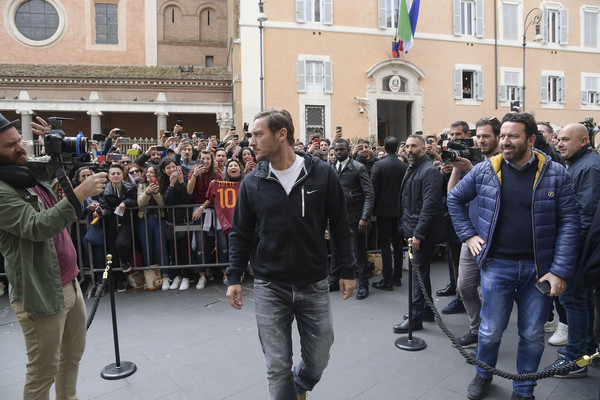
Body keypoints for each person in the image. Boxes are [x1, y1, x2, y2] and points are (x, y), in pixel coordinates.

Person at [447, 112, 580, 400]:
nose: (505, 141)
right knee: (491, 330)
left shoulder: (555, 173)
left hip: (539, 269)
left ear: (531, 139)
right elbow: (455, 198)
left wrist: (559, 270)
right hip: (496, 265)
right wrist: (468, 235)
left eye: (513, 136)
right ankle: (483, 374)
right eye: (503, 135)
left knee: (532, 335)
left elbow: (570, 221)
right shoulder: (486, 170)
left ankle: (523, 390)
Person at [226, 109, 356, 400]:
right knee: (277, 365)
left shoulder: (321, 173)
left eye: (258, 134)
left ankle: (300, 385)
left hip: (314, 283)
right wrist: (233, 276)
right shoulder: (252, 182)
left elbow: (340, 225)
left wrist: (347, 269)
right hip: (270, 286)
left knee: (319, 357)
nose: (252, 141)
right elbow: (240, 233)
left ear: (281, 134)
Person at [0, 113, 107, 399]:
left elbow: (63, 165)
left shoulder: (26, 171)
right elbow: (36, 227)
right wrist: (79, 195)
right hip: (40, 293)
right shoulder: (2, 189)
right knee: (42, 373)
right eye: (10, 145)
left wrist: (55, 144)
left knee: (71, 358)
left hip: (70, 282)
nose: (21, 147)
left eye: (19, 140)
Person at [543, 123, 600, 377]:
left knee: (573, 299)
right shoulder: (583, 163)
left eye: (566, 139)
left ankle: (576, 359)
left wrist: (569, 253)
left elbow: (585, 215)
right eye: (558, 139)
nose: (559, 144)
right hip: (578, 248)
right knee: (581, 300)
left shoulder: (589, 167)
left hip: (577, 248)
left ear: (584, 141)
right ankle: (585, 348)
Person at [447, 116, 501, 349]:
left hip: (495, 239)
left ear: (497, 137)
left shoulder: (502, 163)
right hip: (471, 236)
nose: (480, 141)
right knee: (465, 287)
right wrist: (458, 168)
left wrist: (471, 168)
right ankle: (477, 329)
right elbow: (453, 194)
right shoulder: (476, 164)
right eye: (478, 136)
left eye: (485, 136)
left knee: (493, 292)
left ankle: (488, 335)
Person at [393, 134, 445, 334]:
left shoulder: (429, 171)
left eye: (414, 146)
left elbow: (430, 206)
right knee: (420, 274)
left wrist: (418, 234)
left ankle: (415, 318)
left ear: (424, 149)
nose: (409, 149)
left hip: (421, 234)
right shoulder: (412, 168)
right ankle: (425, 311)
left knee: (417, 277)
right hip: (412, 229)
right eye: (407, 146)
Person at [332, 138, 374, 299]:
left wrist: (365, 217)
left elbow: (369, 193)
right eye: (336, 150)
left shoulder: (358, 168)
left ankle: (363, 284)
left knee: (358, 252)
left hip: (355, 217)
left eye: (342, 149)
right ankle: (335, 280)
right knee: (336, 251)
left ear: (348, 150)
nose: (338, 152)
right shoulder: (332, 168)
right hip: (337, 218)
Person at [370, 136, 407, 290]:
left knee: (385, 244)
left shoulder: (378, 165)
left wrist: (371, 210)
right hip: (399, 210)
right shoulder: (404, 167)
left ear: (384, 148)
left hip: (383, 211)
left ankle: (387, 280)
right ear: (397, 148)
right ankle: (397, 277)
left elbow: (373, 189)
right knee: (398, 244)